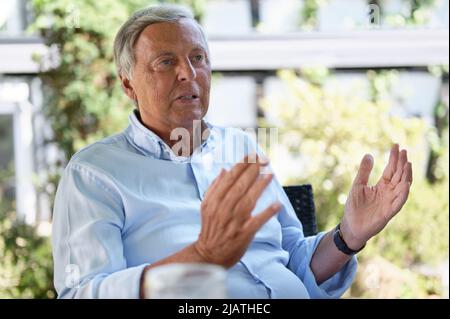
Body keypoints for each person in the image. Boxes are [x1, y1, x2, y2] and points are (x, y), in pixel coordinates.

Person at [52, 4, 413, 299]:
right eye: (166, 61)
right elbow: (82, 293)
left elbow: (294, 266)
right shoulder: (94, 174)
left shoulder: (242, 148)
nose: (188, 73)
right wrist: (200, 257)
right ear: (128, 83)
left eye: (198, 58)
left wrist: (349, 236)